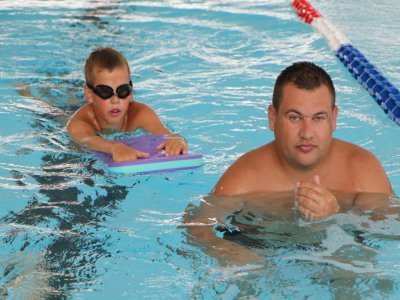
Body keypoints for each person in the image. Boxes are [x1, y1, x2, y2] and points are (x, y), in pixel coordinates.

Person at [183, 61, 393, 265]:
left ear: (334, 118)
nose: (307, 133)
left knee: (354, 267)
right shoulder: (246, 177)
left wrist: (336, 216)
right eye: (295, 118)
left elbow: (390, 230)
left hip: (338, 252)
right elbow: (196, 227)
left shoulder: (361, 170)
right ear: (272, 118)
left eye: (318, 118)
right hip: (262, 250)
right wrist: (230, 253)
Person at [67, 47, 188, 162]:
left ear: (130, 93)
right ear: (89, 94)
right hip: (67, 110)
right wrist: (114, 147)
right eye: (105, 91)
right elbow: (86, 139)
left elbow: (167, 134)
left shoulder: (140, 114)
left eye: (122, 90)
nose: (115, 99)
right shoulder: (80, 122)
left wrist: (178, 140)